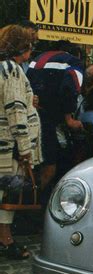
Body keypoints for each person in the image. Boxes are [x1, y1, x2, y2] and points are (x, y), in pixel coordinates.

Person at [0, 25, 42, 259]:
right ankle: (5, 240)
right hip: (9, 145)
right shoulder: (11, 70)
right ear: (22, 47)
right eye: (30, 44)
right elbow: (15, 109)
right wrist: (25, 149)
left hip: (3, 141)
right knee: (6, 193)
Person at [27, 41, 83, 193]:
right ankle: (35, 201)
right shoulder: (73, 61)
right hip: (51, 120)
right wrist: (69, 119)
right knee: (50, 167)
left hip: (32, 117)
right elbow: (70, 89)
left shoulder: (36, 60)